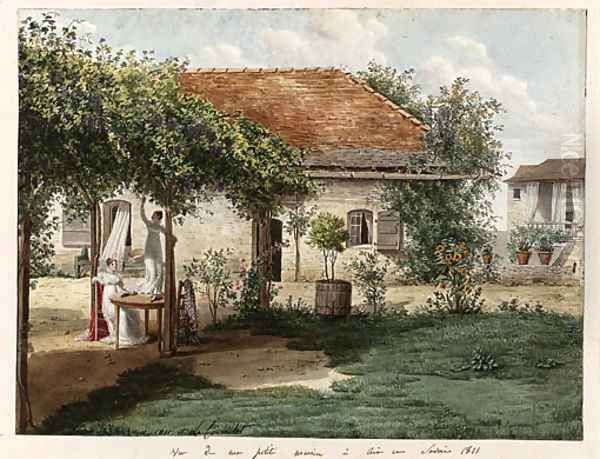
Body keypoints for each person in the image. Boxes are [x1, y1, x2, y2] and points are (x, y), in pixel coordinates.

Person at [92, 258, 148, 346]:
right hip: (108, 301)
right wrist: (96, 279)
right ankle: (119, 336)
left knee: (130, 313)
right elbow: (97, 280)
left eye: (115, 265)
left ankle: (126, 336)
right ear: (109, 265)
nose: (115, 267)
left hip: (117, 299)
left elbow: (123, 287)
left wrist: (131, 291)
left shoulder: (117, 276)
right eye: (113, 265)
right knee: (120, 314)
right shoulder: (105, 275)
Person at [138, 196, 165, 295]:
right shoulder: (149, 224)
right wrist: (142, 204)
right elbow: (142, 215)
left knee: (159, 271)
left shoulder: (161, 227)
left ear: (158, 218)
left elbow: (168, 234)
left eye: (154, 216)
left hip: (157, 250)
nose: (152, 217)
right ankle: (148, 290)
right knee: (152, 272)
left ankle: (156, 291)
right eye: (153, 216)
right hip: (149, 250)